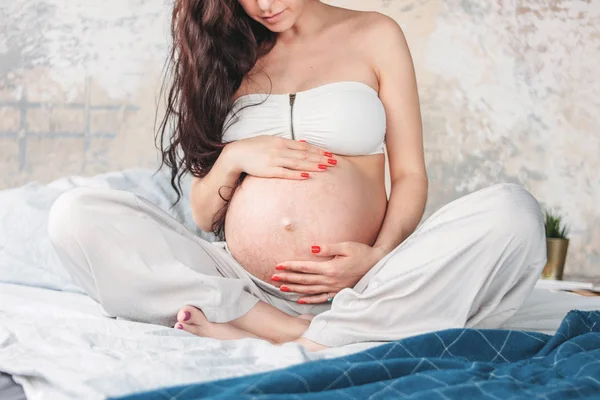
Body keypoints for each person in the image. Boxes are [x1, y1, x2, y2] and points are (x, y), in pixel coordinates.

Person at [47, 0, 546, 352]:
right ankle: (293, 332)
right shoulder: (229, 55)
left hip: (366, 282)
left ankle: (323, 329)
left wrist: (376, 258)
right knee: (77, 215)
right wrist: (236, 157)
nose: (264, 5)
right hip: (244, 285)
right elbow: (202, 214)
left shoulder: (376, 33)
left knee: (512, 212)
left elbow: (411, 175)